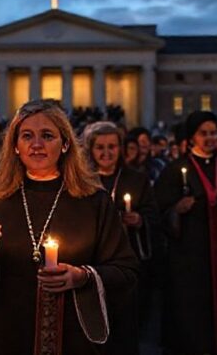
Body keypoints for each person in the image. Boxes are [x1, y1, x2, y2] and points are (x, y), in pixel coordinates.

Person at [0, 99, 138, 355]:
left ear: (65, 144)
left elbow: (126, 271)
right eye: (27, 136)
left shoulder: (94, 201)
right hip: (6, 336)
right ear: (15, 146)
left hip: (73, 337)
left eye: (47, 135)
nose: (36, 144)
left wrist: (82, 277)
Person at [154, 111, 217, 355]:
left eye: (213, 133)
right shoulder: (175, 170)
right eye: (203, 133)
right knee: (191, 315)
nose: (209, 138)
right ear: (192, 137)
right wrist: (176, 209)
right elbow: (158, 211)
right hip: (188, 255)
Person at [84, 121, 160, 355]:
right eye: (100, 147)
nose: (106, 153)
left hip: (127, 261)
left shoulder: (136, 179)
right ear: (90, 150)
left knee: (125, 329)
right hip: (91, 261)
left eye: (112, 147)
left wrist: (139, 220)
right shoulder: (82, 180)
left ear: (121, 148)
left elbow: (153, 215)